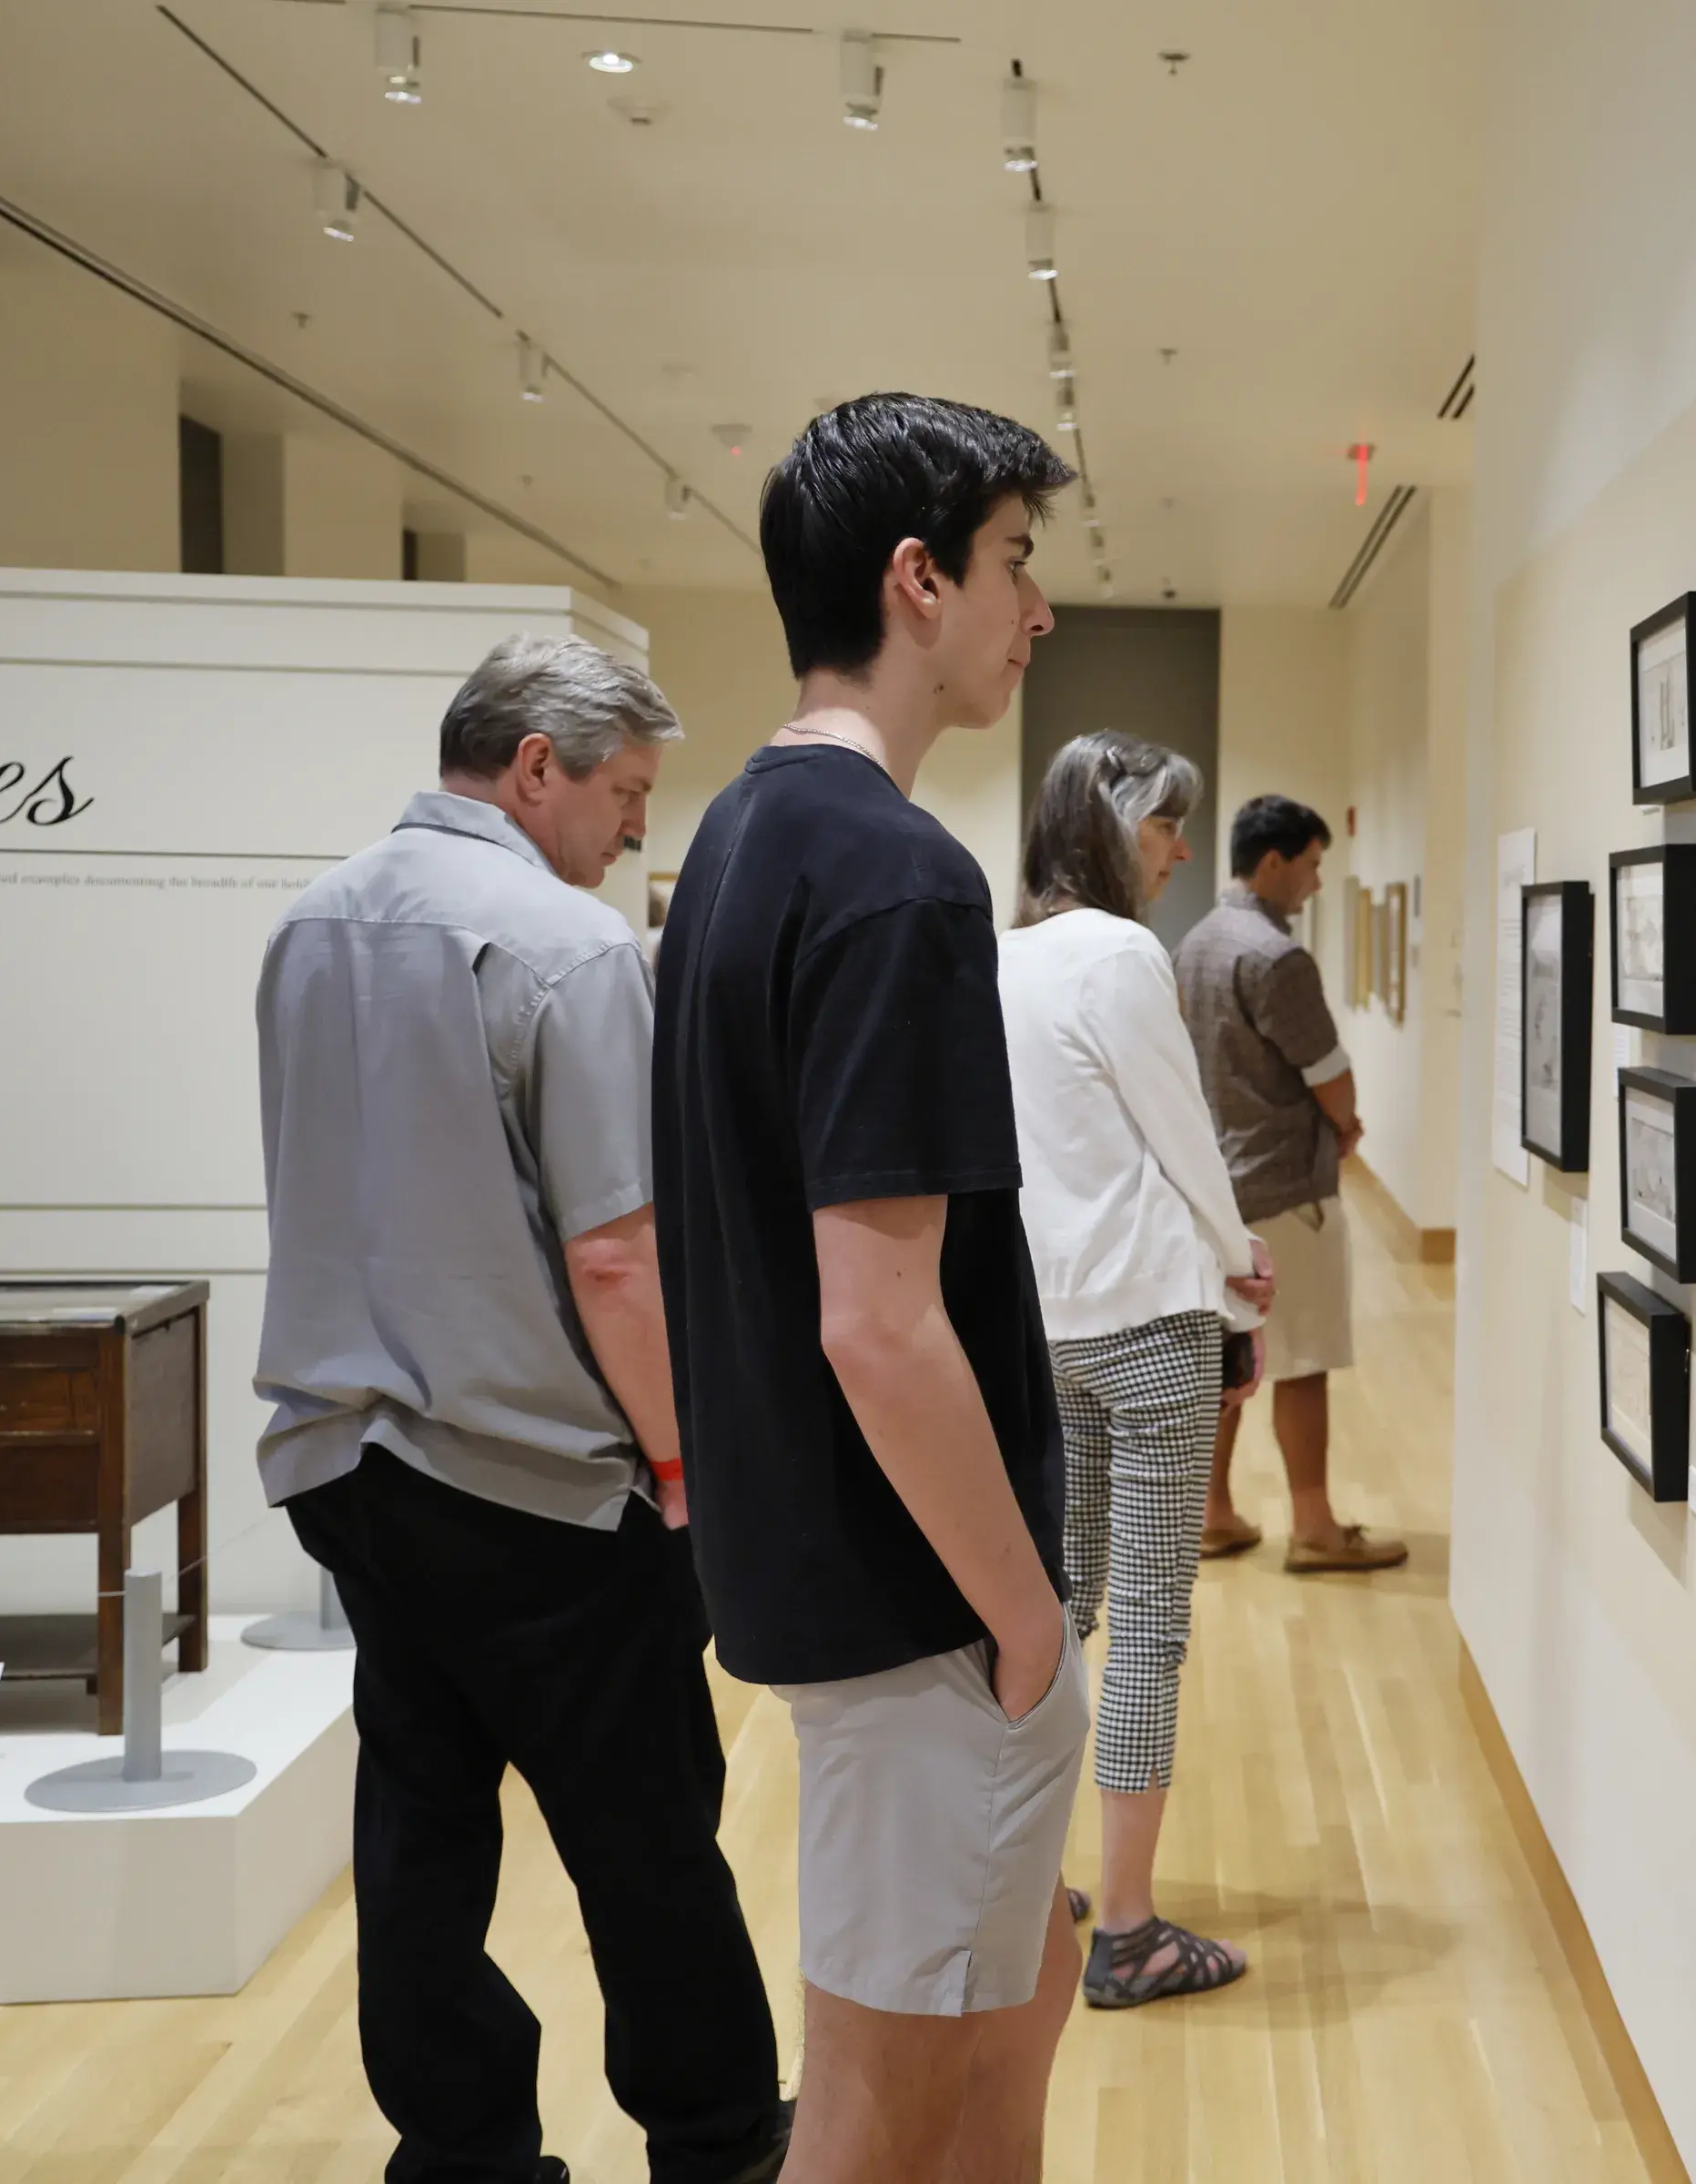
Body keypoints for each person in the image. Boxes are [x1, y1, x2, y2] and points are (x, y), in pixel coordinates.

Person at [250, 635, 790, 2184]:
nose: (634, 829)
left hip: (346, 1460)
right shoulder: (561, 945)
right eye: (625, 793)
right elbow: (617, 1254)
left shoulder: (307, 923)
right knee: (644, 1827)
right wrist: (686, 1462)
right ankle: (714, 2136)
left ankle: (463, 2149)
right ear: (538, 764)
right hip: (533, 1480)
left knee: (421, 1823)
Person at [651, 394, 1085, 2183]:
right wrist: (1030, 1620)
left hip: (831, 1574)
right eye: (1013, 563)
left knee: (996, 2013)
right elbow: (878, 1319)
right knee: (889, 2088)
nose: (1035, 608)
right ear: (917, 581)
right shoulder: (899, 877)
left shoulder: (739, 842)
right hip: (916, 1603)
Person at [1001, 731, 1274, 2008]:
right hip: (1155, 1324)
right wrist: (1244, 1262)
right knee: (1148, 1633)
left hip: (1048, 1322)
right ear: (1111, 828)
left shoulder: (1000, 958)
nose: (1177, 852)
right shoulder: (1122, 956)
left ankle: (1028, 1887)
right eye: (1165, 826)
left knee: (1061, 1615)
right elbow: (1185, 1141)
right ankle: (1128, 1930)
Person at [1174, 794, 1408, 1572]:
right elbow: (1329, 1076)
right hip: (1285, 1192)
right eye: (1309, 866)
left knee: (1226, 1358)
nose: (1313, 884)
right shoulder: (1276, 956)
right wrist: (1344, 1126)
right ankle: (1313, 1525)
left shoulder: (1197, 943)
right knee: (1302, 1361)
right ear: (1271, 862)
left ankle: (1213, 1513)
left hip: (1216, 1192)